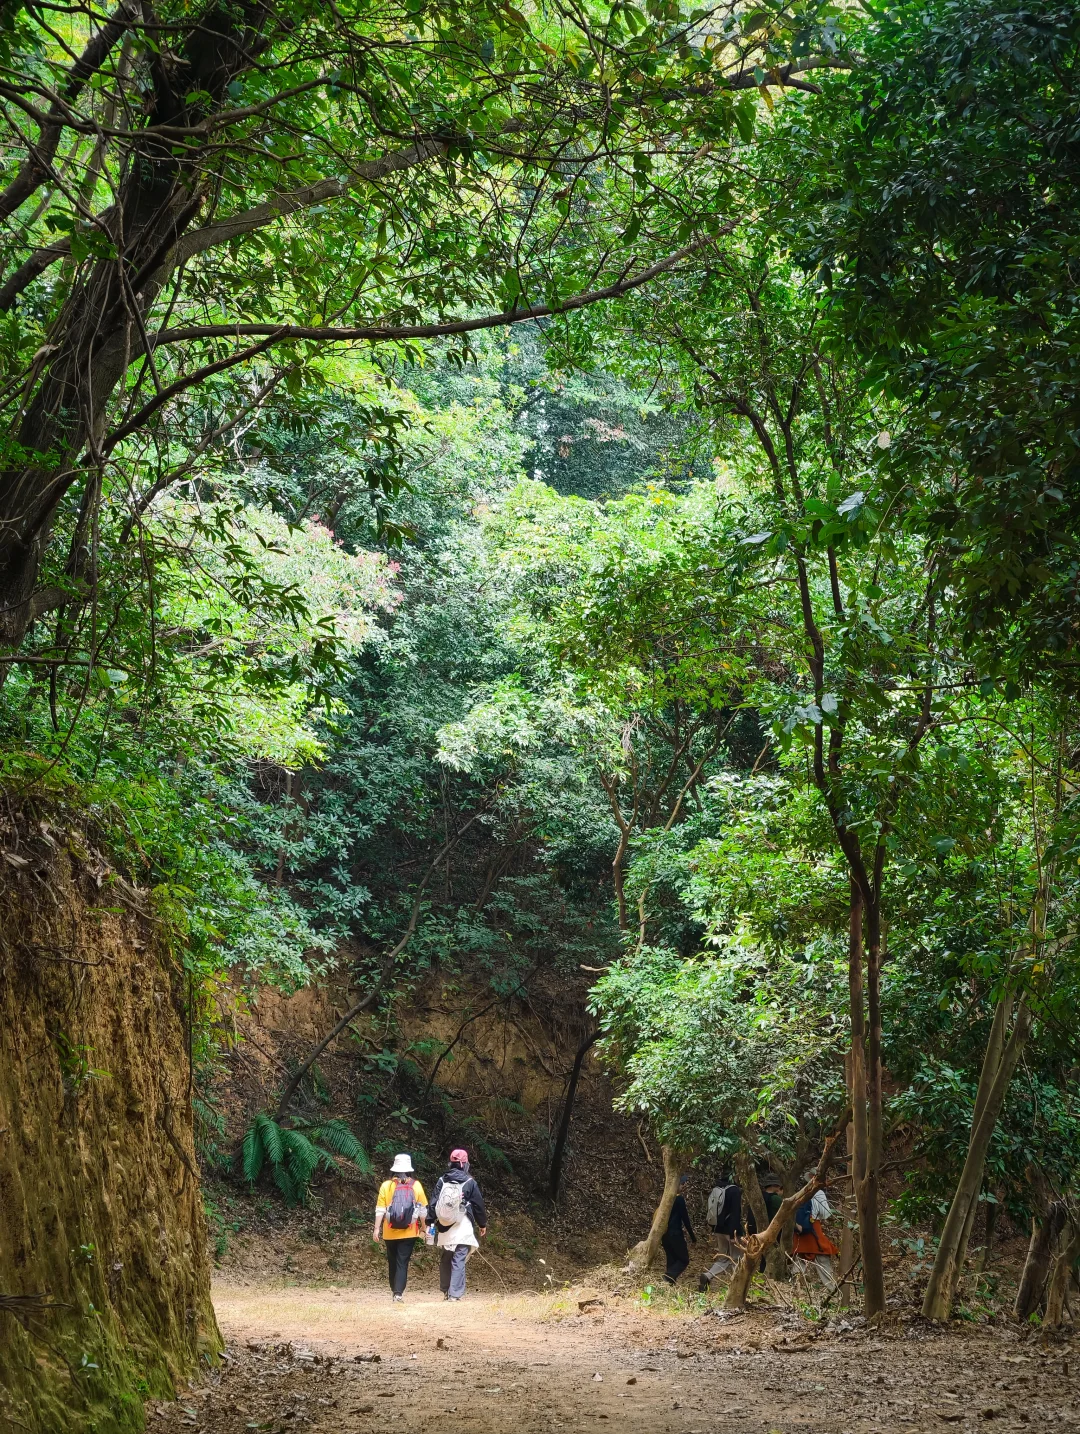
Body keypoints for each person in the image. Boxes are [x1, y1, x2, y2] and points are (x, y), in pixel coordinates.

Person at [428, 1147, 487, 1301]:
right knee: (459, 1258)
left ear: (451, 1163)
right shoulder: (470, 1182)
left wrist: (429, 1221)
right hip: (463, 1225)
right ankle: (455, 1294)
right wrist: (482, 1224)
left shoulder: (442, 1180)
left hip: (444, 1225)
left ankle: (446, 1291)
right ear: (466, 1163)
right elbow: (478, 1205)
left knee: (446, 1257)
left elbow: (434, 1202)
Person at [373, 1153, 428, 1302]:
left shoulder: (386, 1185)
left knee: (392, 1261)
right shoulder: (416, 1185)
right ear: (409, 1169)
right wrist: (424, 1227)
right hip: (409, 1232)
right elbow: (423, 1210)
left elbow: (380, 1209)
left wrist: (377, 1229)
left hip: (390, 1232)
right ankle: (398, 1293)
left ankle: (394, 1290)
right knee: (402, 1262)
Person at [698, 1172, 745, 1291]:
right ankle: (737, 1287)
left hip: (718, 1229)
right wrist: (733, 1234)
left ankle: (707, 1275)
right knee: (737, 1259)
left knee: (724, 1258)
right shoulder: (734, 1191)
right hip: (731, 1231)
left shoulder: (717, 1188)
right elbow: (735, 1213)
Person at [792, 1174, 839, 1288]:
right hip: (813, 1229)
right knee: (823, 1261)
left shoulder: (802, 1192)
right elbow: (825, 1213)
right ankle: (832, 1291)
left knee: (799, 1263)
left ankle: (796, 1291)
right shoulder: (819, 1193)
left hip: (799, 1231)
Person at [661, 1174, 697, 1285]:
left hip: (665, 1235)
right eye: (682, 1183)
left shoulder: (665, 1198)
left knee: (671, 1259)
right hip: (675, 1234)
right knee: (684, 1259)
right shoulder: (679, 1199)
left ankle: (669, 1285)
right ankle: (667, 1277)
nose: (684, 1186)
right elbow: (685, 1220)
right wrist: (693, 1237)